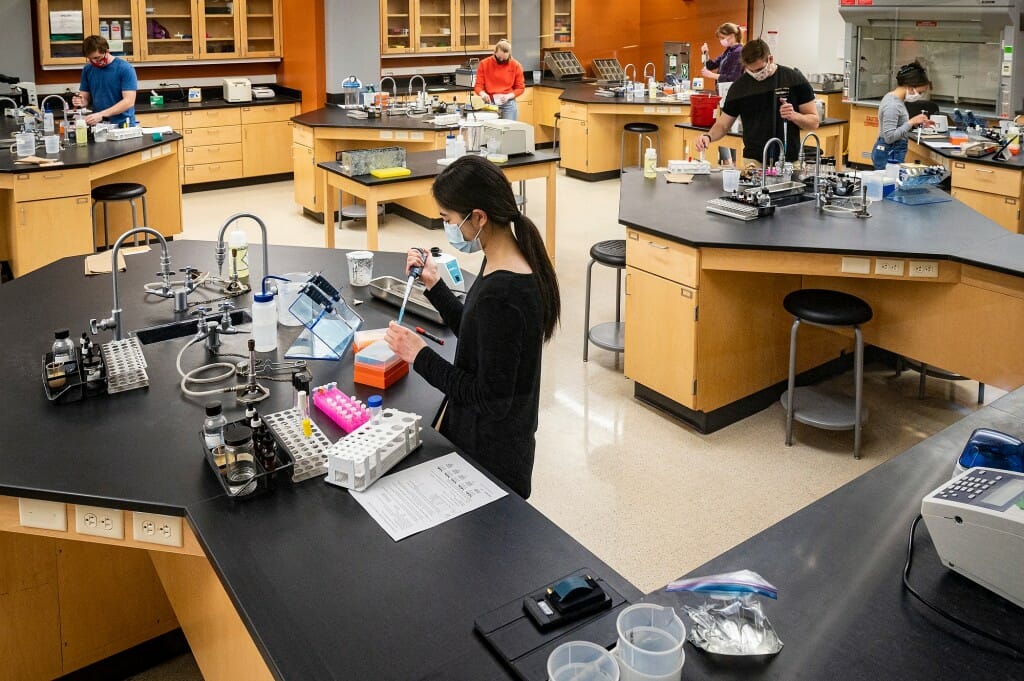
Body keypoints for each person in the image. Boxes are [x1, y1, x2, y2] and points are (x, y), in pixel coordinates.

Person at [384, 155, 560, 499]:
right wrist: (435, 287)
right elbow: (481, 338)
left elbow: (490, 398)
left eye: (449, 219)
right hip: (486, 441)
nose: (448, 228)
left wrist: (420, 356)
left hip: (492, 457)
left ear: (478, 217)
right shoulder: (504, 257)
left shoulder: (505, 292)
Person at [695, 39, 819, 164]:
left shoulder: (793, 79)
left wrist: (794, 116)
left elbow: (814, 122)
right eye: (751, 70)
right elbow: (723, 125)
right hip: (754, 161)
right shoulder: (740, 87)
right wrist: (708, 136)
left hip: (789, 161)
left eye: (759, 69)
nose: (756, 74)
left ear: (770, 59)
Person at [871, 61, 935, 169]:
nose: (919, 96)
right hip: (889, 153)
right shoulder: (892, 105)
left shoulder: (897, 100)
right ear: (910, 87)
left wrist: (916, 123)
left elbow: (897, 126)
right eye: (919, 92)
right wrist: (911, 122)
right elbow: (889, 137)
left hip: (893, 151)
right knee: (889, 184)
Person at [72, 35, 137, 126]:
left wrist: (101, 114)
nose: (94, 62)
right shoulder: (88, 69)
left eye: (97, 58)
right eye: (90, 59)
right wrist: (81, 101)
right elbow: (85, 97)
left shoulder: (125, 68)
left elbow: (129, 101)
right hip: (99, 125)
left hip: (123, 125)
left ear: (107, 51)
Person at [474, 39, 525, 120]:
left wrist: (508, 96)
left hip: (508, 103)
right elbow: (478, 86)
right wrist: (483, 94)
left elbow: (520, 88)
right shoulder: (484, 64)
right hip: (490, 103)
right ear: (494, 52)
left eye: (504, 59)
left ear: (509, 54)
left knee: (508, 130)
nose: (501, 61)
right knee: (490, 130)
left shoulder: (516, 65)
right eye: (499, 58)